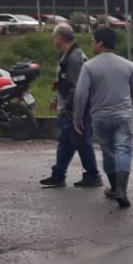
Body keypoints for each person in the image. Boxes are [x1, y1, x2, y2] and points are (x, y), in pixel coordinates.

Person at [73, 27, 133, 209]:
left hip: (101, 117)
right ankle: (121, 189)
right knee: (124, 151)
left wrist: (78, 118)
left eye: (93, 41)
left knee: (108, 152)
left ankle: (114, 188)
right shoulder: (127, 65)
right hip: (123, 116)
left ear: (100, 43)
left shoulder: (89, 66)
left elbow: (81, 94)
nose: (92, 44)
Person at [40, 24, 102, 189]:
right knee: (66, 143)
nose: (54, 41)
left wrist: (69, 107)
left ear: (59, 38)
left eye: (54, 37)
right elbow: (64, 82)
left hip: (74, 110)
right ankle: (58, 174)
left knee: (81, 142)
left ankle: (92, 175)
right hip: (69, 107)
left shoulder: (74, 58)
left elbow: (77, 86)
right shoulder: (69, 55)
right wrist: (57, 98)